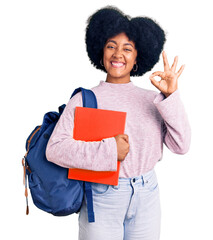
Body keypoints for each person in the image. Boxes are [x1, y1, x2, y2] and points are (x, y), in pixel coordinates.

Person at [46, 6, 191, 240]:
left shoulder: (152, 99)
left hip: (147, 194)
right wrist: (110, 149)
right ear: (100, 51)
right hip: (102, 196)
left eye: (127, 48)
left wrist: (171, 96)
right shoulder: (83, 99)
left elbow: (181, 145)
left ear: (137, 57)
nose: (117, 54)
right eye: (111, 46)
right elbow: (55, 150)